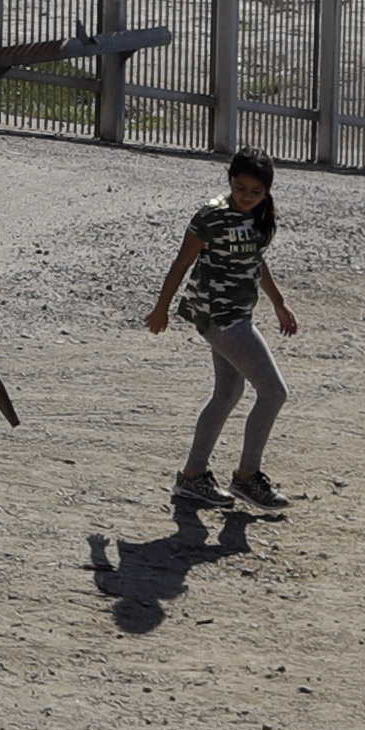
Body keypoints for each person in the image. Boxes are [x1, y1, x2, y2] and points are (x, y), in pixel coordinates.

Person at [142, 145, 298, 512]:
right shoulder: (211, 216)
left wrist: (278, 302)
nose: (247, 196)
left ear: (267, 192)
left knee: (228, 394)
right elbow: (181, 263)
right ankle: (247, 479)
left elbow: (256, 263)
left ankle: (193, 477)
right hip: (219, 316)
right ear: (230, 181)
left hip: (238, 313)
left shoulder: (259, 216)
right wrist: (161, 308)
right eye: (241, 188)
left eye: (256, 191)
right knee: (274, 393)